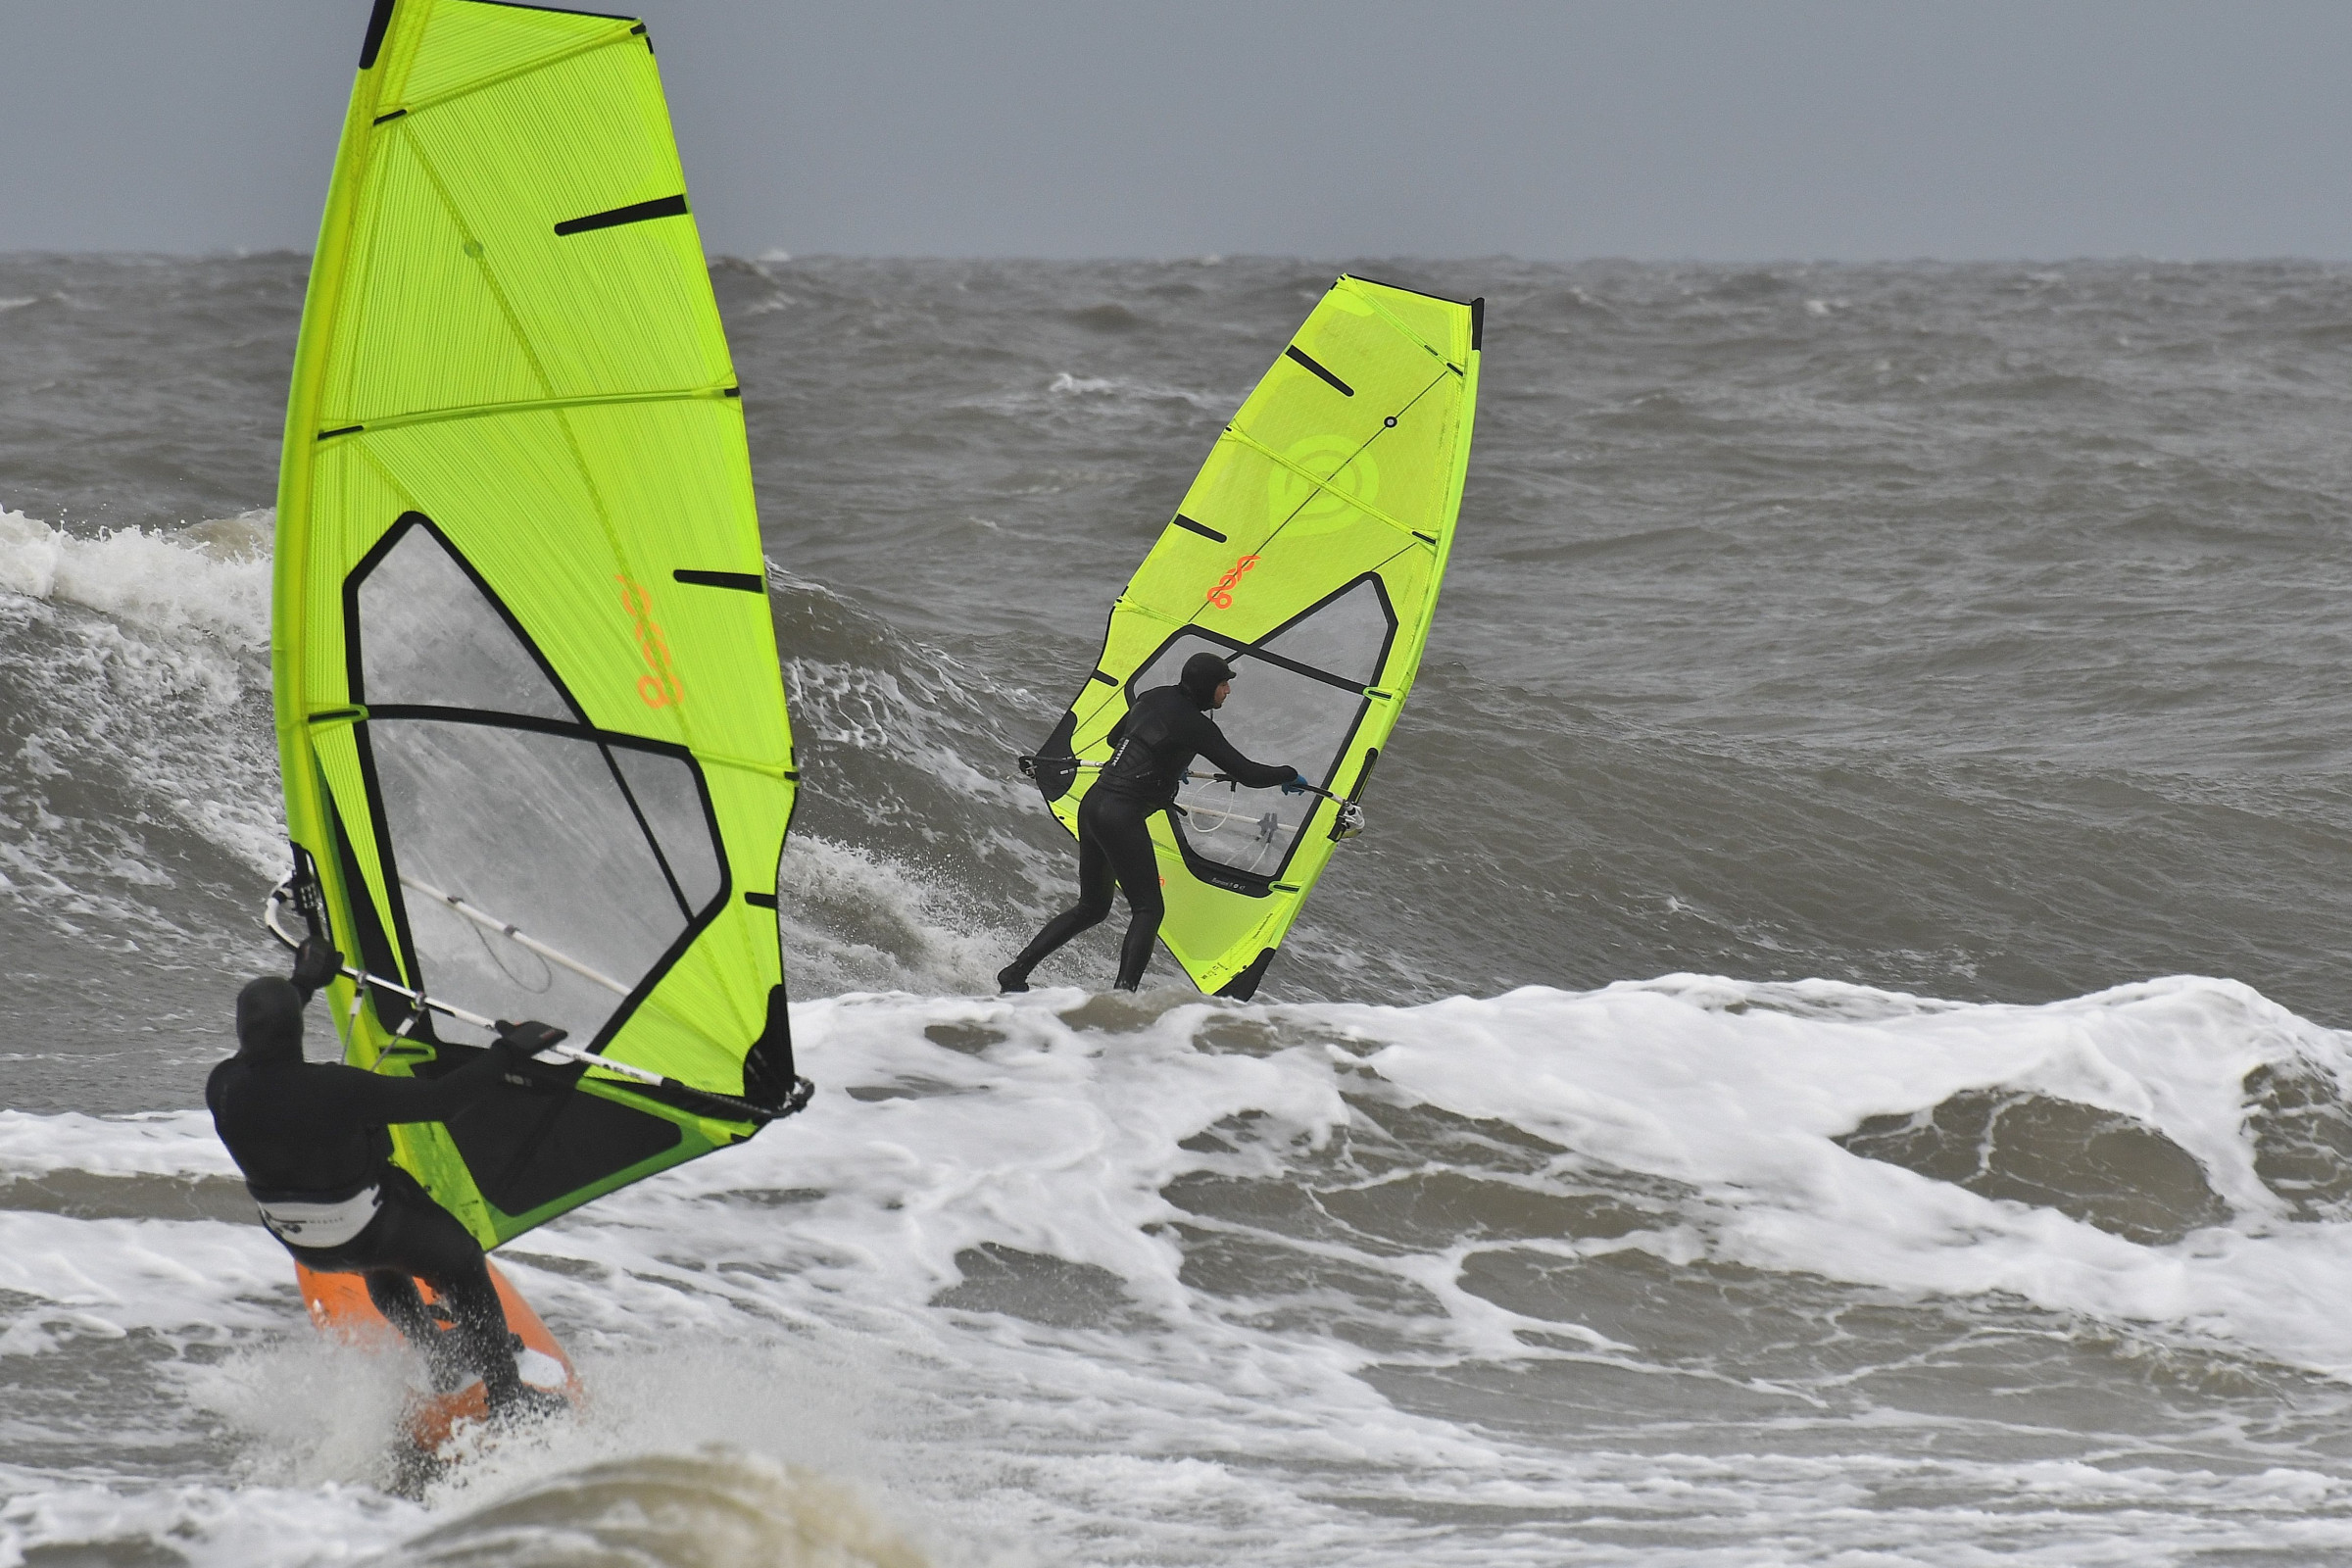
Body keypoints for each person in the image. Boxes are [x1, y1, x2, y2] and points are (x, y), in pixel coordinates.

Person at [207, 938, 575, 1418]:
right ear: (297, 1031)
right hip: (363, 1224)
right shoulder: (336, 1090)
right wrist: (508, 1053)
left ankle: (437, 1353)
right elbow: (442, 1101)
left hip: (302, 1239)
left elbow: (269, 1028)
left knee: (381, 1260)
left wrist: (302, 983)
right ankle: (507, 1396)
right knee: (460, 1261)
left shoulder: (224, 1086)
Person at [1000, 652, 1304, 993]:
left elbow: (1118, 739)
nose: (1227, 692)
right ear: (1207, 686)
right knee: (1148, 909)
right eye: (1223, 685)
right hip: (1121, 815)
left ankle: (1016, 972)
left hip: (1095, 805)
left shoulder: (1154, 696)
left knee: (1092, 907)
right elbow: (1247, 773)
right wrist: (1288, 774)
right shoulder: (1197, 726)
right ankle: (1123, 996)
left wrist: (1169, 759)